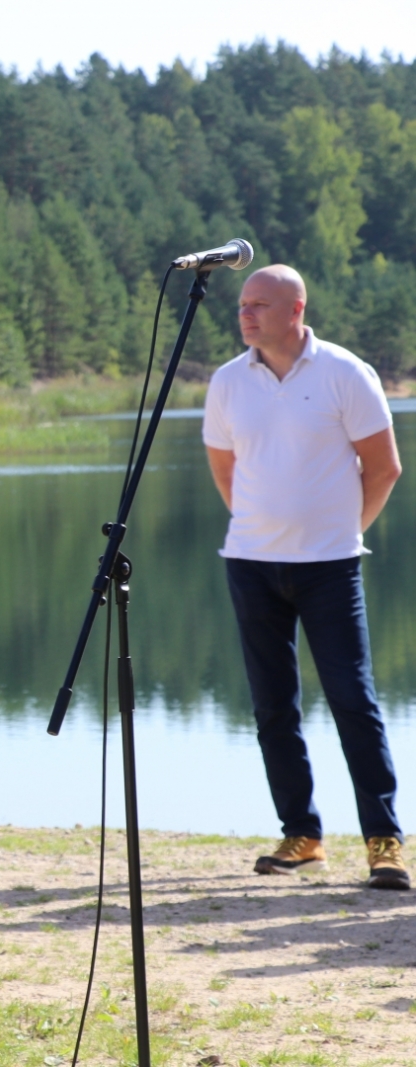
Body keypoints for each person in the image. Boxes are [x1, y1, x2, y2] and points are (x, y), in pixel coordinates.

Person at [203, 264, 409, 891]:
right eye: (242, 304)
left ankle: (385, 844)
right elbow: (225, 469)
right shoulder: (228, 382)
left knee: (354, 702)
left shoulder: (346, 373)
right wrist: (262, 529)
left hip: (330, 568)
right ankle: (303, 835)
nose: (246, 315)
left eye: (260, 304)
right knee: (273, 708)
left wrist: (344, 532)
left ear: (296, 310)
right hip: (251, 565)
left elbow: (384, 468)